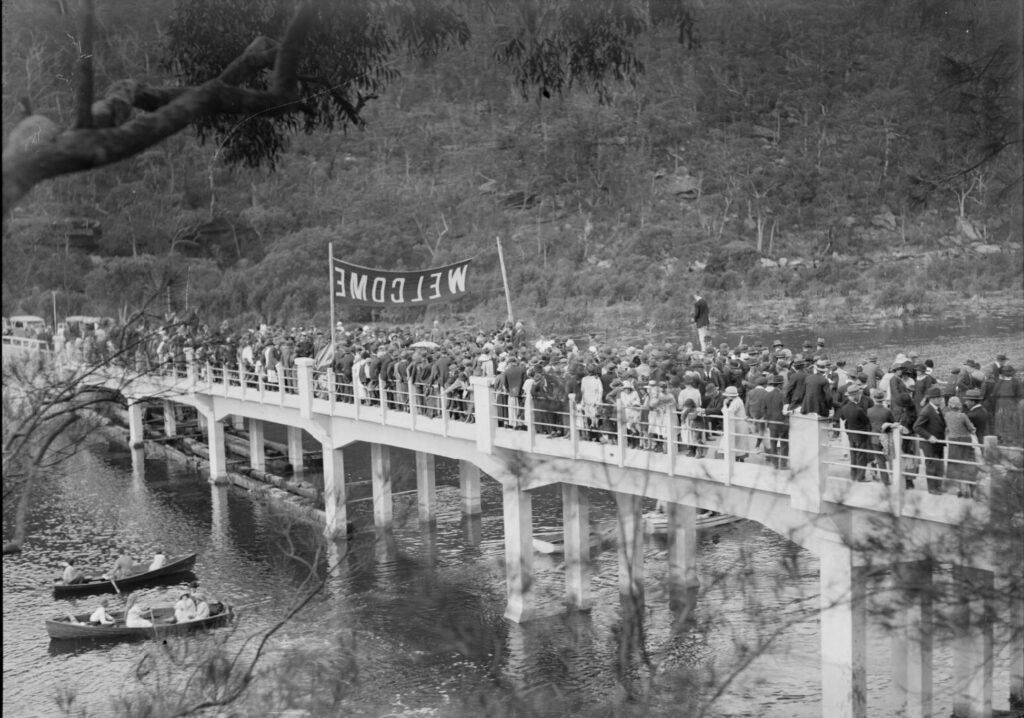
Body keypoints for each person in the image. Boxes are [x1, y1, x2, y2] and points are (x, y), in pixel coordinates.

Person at [913, 386, 947, 494]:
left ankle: (938, 486)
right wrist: (929, 436)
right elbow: (916, 427)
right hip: (929, 444)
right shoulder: (926, 411)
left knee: (939, 466)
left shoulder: (936, 409)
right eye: (937, 397)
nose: (940, 399)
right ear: (931, 399)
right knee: (931, 466)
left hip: (938, 443)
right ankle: (932, 488)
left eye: (940, 397)